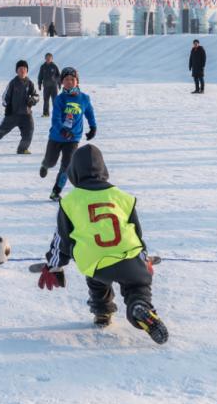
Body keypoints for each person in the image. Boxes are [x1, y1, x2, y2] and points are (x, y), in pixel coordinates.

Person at [37, 144, 168, 344]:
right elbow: (136, 233)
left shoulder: (70, 202)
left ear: (73, 172)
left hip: (95, 261)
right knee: (137, 286)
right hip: (129, 255)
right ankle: (139, 307)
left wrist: (54, 265)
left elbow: (61, 240)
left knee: (97, 279)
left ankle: (102, 312)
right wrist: (144, 259)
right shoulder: (122, 197)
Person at [39, 67, 97, 202]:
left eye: (72, 79)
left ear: (77, 81)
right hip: (56, 137)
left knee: (67, 165)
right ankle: (45, 165)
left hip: (73, 138)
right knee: (51, 162)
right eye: (66, 80)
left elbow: (89, 113)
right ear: (62, 82)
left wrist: (93, 127)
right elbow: (56, 118)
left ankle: (55, 192)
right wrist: (63, 130)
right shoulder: (60, 99)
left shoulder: (84, 98)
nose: (69, 82)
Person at [0, 60, 39, 155]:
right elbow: (5, 97)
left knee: (29, 132)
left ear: (27, 71)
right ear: (17, 71)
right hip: (13, 114)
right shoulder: (13, 83)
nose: (22, 71)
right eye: (20, 69)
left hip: (26, 115)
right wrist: (7, 106)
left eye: (24, 69)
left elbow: (36, 96)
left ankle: (22, 149)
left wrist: (33, 99)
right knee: (0, 131)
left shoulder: (30, 83)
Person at [37, 53, 60, 117]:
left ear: (52, 59)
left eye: (49, 58)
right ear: (45, 58)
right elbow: (40, 76)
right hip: (46, 86)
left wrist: (59, 83)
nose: (48, 59)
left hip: (54, 86)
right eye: (47, 58)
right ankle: (46, 113)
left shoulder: (54, 66)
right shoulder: (43, 66)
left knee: (55, 101)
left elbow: (58, 76)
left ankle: (56, 113)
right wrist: (39, 83)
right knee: (46, 100)